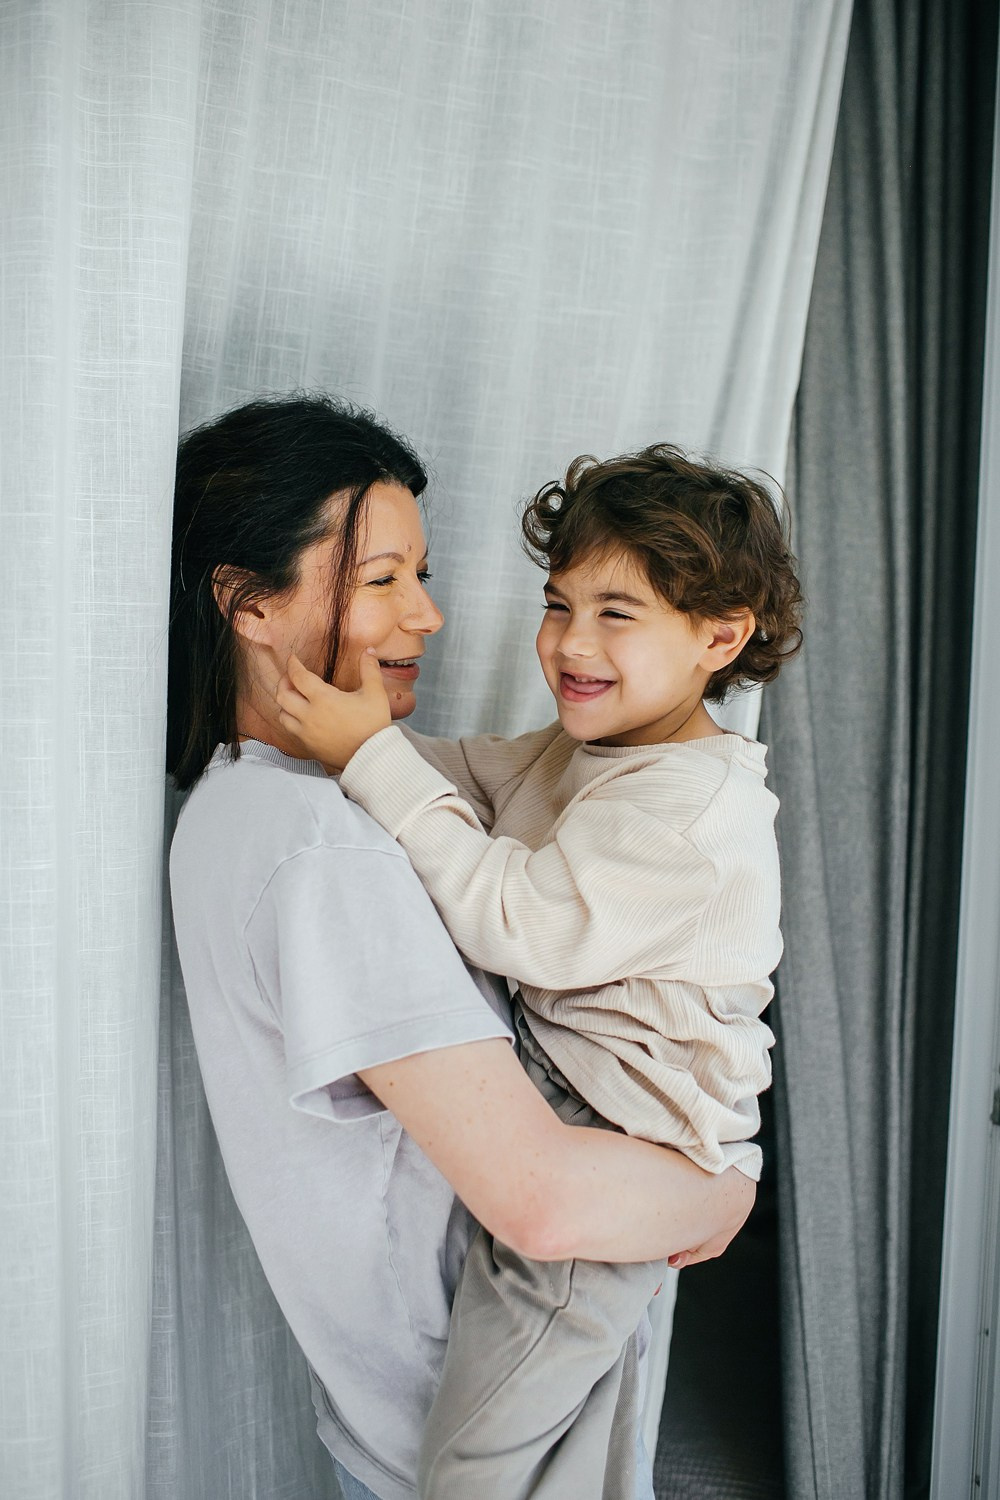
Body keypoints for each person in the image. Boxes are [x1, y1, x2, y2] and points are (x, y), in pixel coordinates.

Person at [166, 394, 757, 1500]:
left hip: (433, 1413)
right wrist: (727, 1188)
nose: (428, 617)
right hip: (465, 1435)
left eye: (419, 576)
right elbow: (541, 1201)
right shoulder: (316, 847)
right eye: (383, 578)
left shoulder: (257, 808)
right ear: (248, 603)